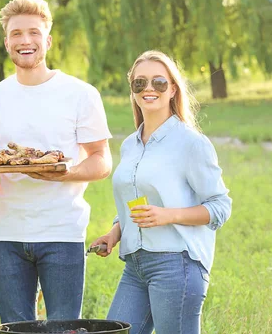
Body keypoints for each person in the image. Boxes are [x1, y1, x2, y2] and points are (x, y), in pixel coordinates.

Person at [0, 0, 113, 323]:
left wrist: (66, 173)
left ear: (47, 40)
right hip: (7, 233)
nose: (25, 41)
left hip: (62, 230)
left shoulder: (80, 94)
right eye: (17, 34)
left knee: (63, 328)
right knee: (15, 329)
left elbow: (102, 160)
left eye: (33, 32)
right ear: (7, 42)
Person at [90, 50, 232, 334]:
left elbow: (220, 206)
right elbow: (138, 204)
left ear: (173, 89)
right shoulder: (130, 144)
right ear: (132, 90)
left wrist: (168, 215)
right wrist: (115, 233)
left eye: (159, 82)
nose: (149, 89)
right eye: (139, 83)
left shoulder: (191, 143)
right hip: (136, 264)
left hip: (177, 263)